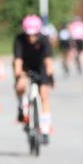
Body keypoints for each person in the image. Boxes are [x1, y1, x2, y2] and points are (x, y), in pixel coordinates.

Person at [13, 15, 55, 143]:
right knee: (20, 86)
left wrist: (50, 78)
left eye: (34, 35)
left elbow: (48, 62)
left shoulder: (44, 40)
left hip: (40, 67)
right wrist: (20, 76)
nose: (31, 38)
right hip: (25, 67)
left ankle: (46, 128)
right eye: (28, 35)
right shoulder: (19, 40)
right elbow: (18, 62)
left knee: (44, 94)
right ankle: (22, 107)